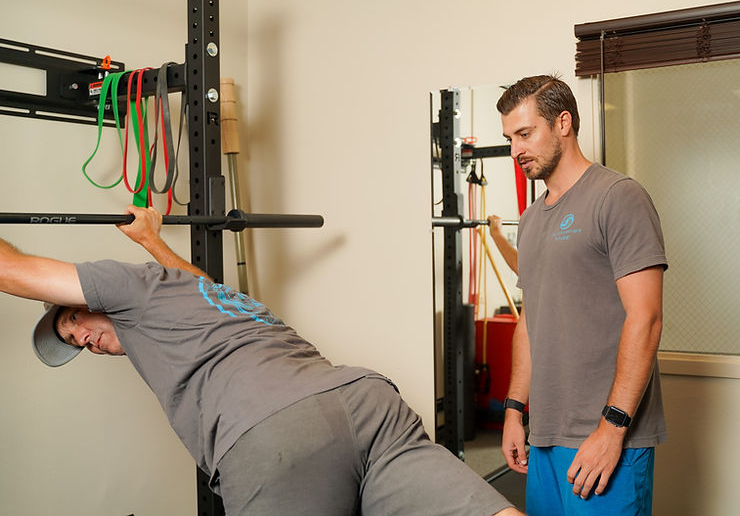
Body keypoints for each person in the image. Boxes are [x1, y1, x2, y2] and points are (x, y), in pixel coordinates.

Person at [2, 204, 524, 516]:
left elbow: (13, 271)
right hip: (366, 404)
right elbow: (201, 284)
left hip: (275, 435)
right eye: (73, 345)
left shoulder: (123, 286)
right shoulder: (194, 302)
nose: (81, 340)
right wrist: (154, 240)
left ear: (95, 300)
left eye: (74, 322)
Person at [493, 75, 667, 516]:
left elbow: (645, 318)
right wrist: (514, 412)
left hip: (609, 439)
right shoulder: (531, 220)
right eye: (510, 138)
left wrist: (612, 429)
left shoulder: (618, 197)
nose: (516, 150)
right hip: (546, 438)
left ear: (563, 123)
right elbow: (531, 321)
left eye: (525, 134)